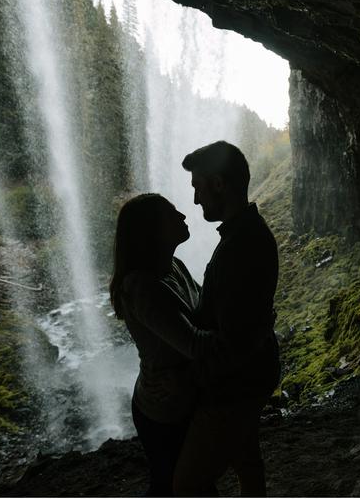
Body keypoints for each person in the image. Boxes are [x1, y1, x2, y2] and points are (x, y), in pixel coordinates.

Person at [173, 141, 281, 497]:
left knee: (187, 484)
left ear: (219, 184)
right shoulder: (245, 235)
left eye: (198, 187)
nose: (195, 200)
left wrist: (195, 374)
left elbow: (234, 341)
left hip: (234, 388)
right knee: (246, 460)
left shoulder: (240, 246)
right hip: (251, 378)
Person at [109, 193, 216, 497]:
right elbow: (195, 344)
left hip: (184, 396)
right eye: (172, 214)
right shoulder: (141, 287)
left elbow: (205, 310)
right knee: (175, 486)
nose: (183, 216)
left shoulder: (174, 266)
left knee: (191, 484)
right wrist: (246, 337)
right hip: (163, 408)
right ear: (151, 230)